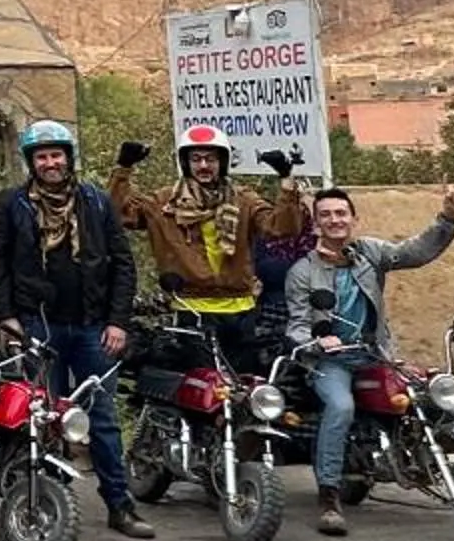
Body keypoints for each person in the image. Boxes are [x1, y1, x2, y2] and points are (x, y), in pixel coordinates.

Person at [0, 120, 155, 541]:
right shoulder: (13, 204)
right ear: (31, 162)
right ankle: (47, 502)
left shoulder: (95, 202)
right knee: (42, 418)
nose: (50, 163)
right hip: (38, 326)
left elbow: (122, 263)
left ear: (68, 157)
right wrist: (7, 315)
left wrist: (118, 321)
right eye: (41, 157)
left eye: (56, 155)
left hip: (94, 327)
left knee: (103, 419)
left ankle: (119, 504)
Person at [283, 183, 454, 536]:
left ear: (354, 219)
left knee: (435, 393)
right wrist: (319, 342)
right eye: (325, 215)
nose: (335, 220)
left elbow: (414, 252)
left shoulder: (370, 253)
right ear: (316, 224)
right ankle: (329, 494)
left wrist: (448, 218)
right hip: (329, 361)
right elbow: (297, 325)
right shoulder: (303, 271)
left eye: (341, 213)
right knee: (341, 407)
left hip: (375, 354)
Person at [109, 124, 309, 381]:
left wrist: (287, 181)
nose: (203, 166)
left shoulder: (243, 200)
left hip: (241, 311)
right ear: (185, 163)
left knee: (246, 386)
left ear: (222, 162)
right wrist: (123, 168)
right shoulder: (164, 203)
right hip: (193, 311)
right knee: (206, 389)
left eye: (211, 159)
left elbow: (281, 228)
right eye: (196, 159)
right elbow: (118, 214)